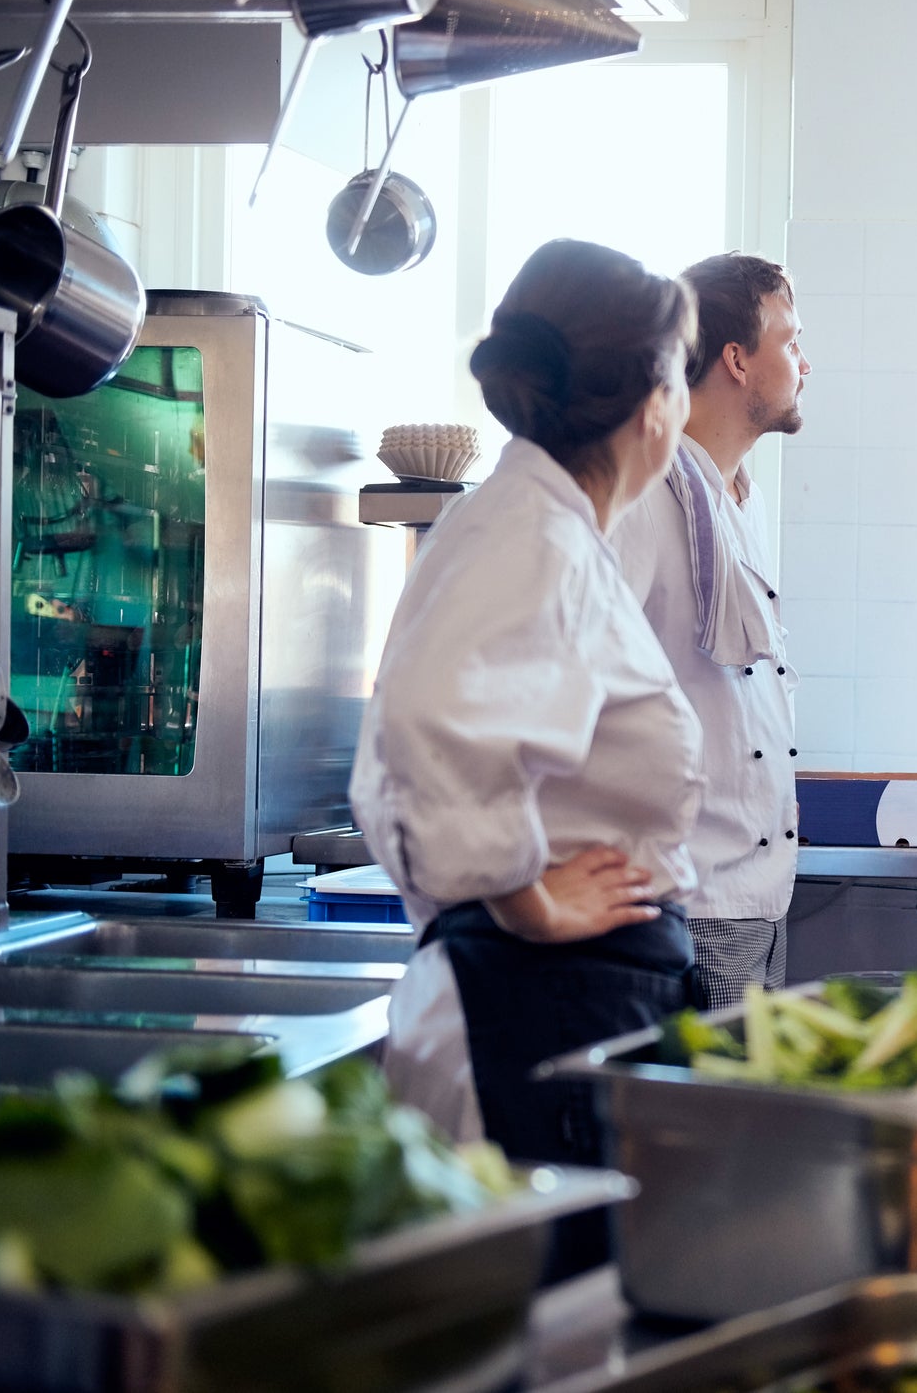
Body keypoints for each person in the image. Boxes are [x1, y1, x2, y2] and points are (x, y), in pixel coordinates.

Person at [350, 239, 702, 1274]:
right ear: (653, 406)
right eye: (681, 373)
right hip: (531, 1002)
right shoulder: (530, 535)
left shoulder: (543, 524)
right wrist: (525, 897)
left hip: (572, 1002)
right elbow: (428, 722)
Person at [610, 253, 807, 1008]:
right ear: (736, 359)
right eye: (789, 341)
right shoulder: (638, 494)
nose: (803, 362)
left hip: (757, 891)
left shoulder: (737, 498)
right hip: (684, 895)